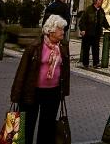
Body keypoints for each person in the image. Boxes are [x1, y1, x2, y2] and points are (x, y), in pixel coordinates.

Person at [10, 14, 70, 144]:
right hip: (32, 90)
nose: (63, 32)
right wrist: (16, 94)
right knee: (27, 125)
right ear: (51, 30)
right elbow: (22, 71)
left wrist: (64, 91)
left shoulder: (63, 47)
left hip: (53, 92)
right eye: (60, 29)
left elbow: (65, 71)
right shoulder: (35, 46)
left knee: (47, 126)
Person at [77, 0, 109, 68]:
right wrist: (83, 29)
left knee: (96, 48)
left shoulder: (101, 10)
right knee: (86, 48)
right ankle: (85, 63)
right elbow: (82, 21)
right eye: (100, 0)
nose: (102, 2)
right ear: (96, 1)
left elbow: (104, 20)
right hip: (88, 32)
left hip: (97, 32)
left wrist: (107, 27)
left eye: (102, 0)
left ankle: (96, 63)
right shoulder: (88, 9)